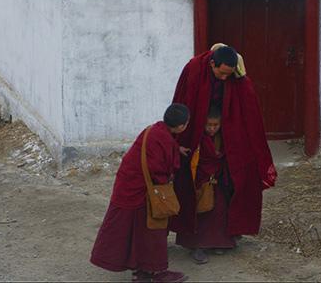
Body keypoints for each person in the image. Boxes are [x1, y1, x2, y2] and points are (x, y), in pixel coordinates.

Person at [169, 44, 277, 260]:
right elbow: (184, 100)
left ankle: (223, 238)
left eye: (229, 74)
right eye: (221, 73)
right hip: (197, 137)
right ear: (212, 64)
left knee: (228, 183)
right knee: (198, 186)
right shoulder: (194, 69)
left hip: (225, 137)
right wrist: (183, 137)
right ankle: (196, 242)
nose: (225, 78)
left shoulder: (236, 75)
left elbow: (247, 106)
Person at [90, 103, 191, 283]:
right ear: (182, 126)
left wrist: (176, 149)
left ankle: (141, 272)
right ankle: (156, 272)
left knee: (135, 231)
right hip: (142, 191)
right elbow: (158, 169)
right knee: (152, 230)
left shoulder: (154, 129)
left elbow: (157, 150)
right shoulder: (164, 139)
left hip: (129, 185)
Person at [180, 105, 231, 264]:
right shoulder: (198, 138)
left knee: (219, 211)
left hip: (216, 181)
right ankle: (197, 247)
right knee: (200, 212)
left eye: (215, 125)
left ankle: (217, 242)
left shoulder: (222, 138)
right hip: (200, 182)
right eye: (208, 125)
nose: (212, 128)